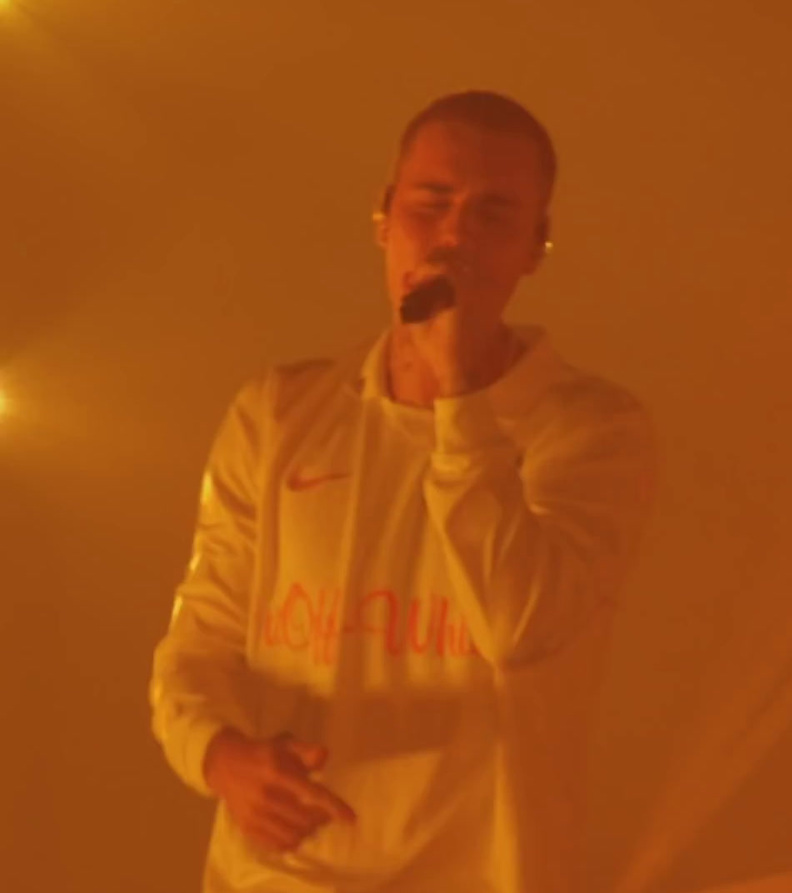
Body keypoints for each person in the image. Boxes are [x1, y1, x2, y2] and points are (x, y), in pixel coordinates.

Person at [149, 90, 657, 893]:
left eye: (495, 214)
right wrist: (219, 756)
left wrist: (458, 393)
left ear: (536, 245)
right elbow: (199, 638)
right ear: (384, 216)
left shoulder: (591, 432)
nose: (456, 235)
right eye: (433, 201)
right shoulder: (281, 414)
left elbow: (519, 623)